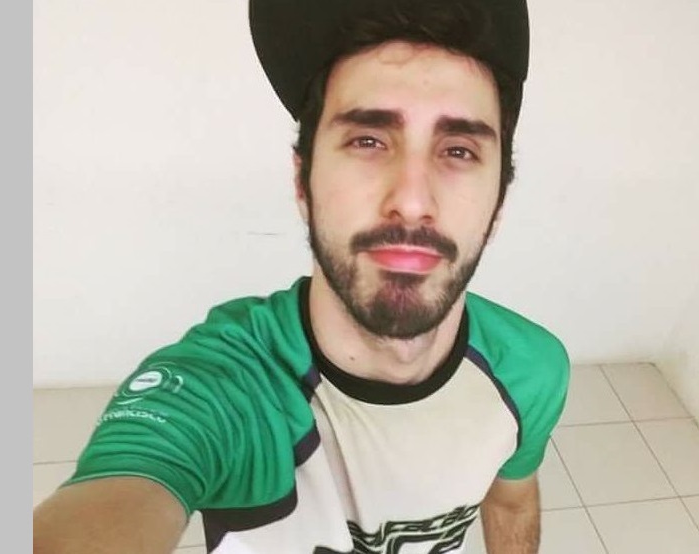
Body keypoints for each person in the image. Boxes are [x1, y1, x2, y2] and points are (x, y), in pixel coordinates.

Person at [33, 0, 570, 552]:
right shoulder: (228, 388)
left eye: (458, 150)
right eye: (367, 140)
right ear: (302, 182)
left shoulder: (532, 370)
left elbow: (511, 500)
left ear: (498, 204)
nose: (412, 201)